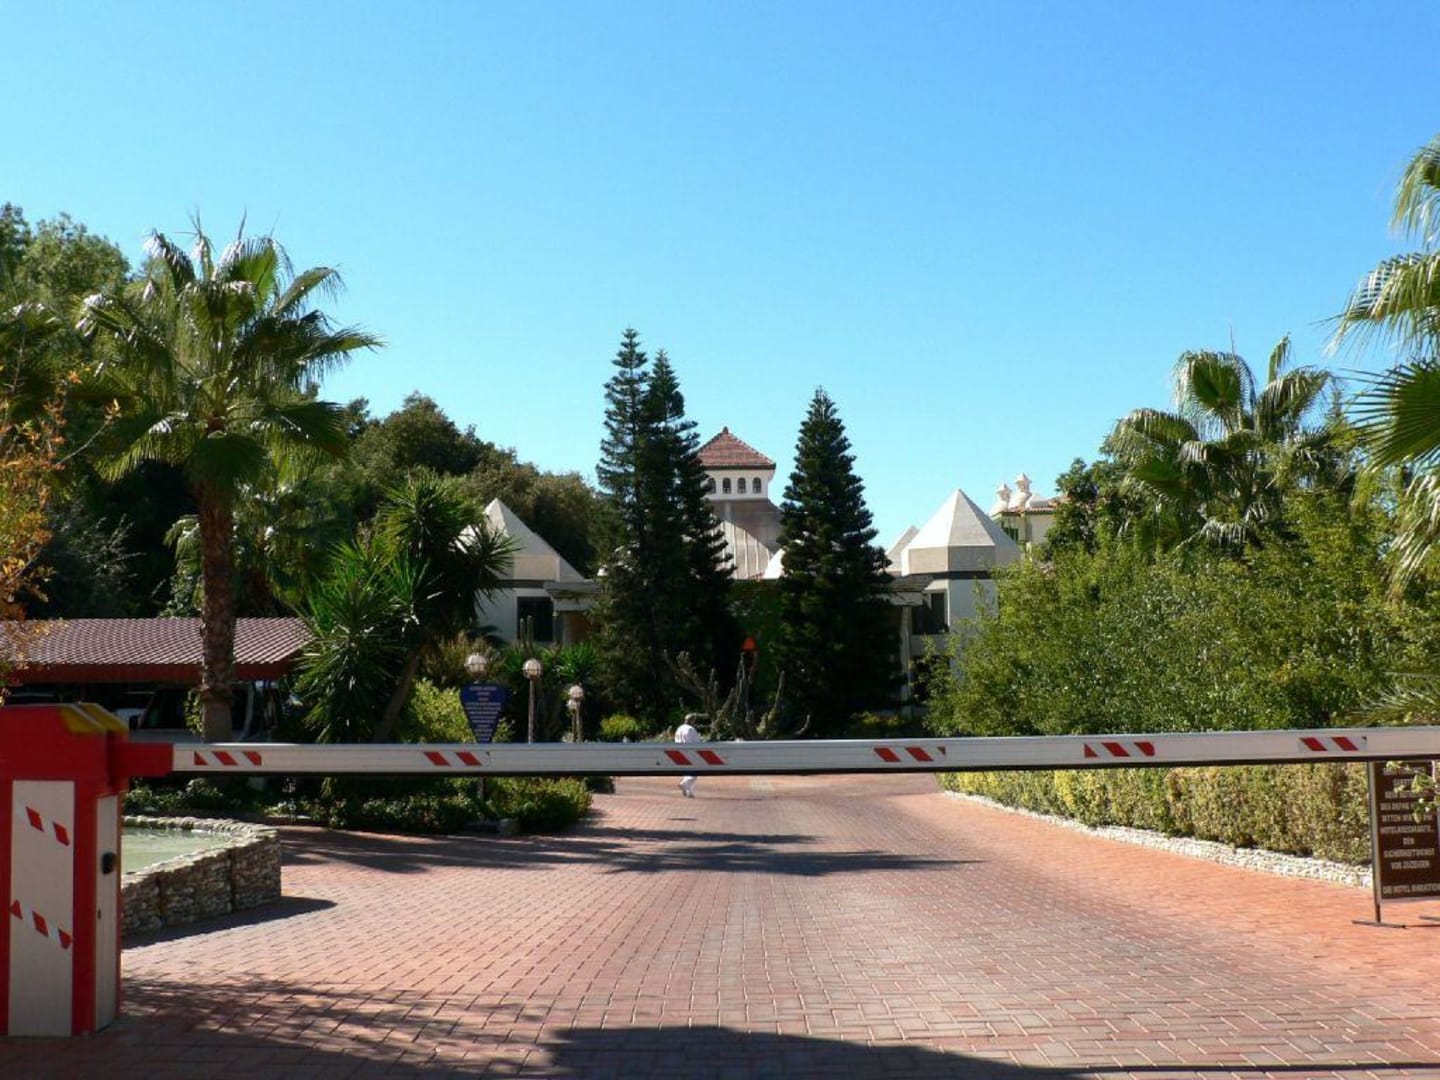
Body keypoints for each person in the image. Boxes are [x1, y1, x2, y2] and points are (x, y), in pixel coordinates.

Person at [674, 714, 703, 797]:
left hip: (679, 752)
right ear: (692, 721)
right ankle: (684, 784)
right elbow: (695, 742)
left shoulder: (679, 728)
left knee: (687, 772)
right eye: (694, 720)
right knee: (694, 772)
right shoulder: (690, 729)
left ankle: (689, 791)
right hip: (690, 752)